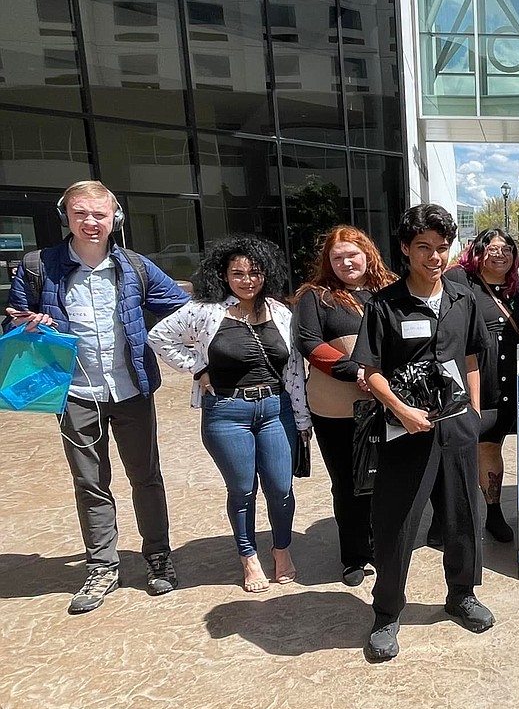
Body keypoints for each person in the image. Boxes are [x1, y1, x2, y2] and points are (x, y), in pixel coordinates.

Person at [4, 180, 190, 614]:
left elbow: (182, 310)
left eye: (99, 214)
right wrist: (25, 325)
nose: (90, 222)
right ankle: (102, 565)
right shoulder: (38, 266)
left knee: (146, 476)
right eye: (81, 213)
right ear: (65, 216)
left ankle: (158, 556)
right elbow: (12, 323)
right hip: (73, 392)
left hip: (132, 389)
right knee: (90, 482)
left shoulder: (135, 267)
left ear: (114, 219)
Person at [352, 203, 491, 662]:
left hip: (456, 430)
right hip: (405, 431)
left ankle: (461, 594)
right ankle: (387, 613)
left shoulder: (462, 297)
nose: (435, 257)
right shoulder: (384, 305)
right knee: (396, 524)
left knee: (464, 517)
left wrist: (471, 412)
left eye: (443, 247)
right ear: (406, 250)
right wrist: (401, 409)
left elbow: (471, 358)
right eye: (424, 248)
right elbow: (368, 371)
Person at [148, 236, 311, 593]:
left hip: (275, 408)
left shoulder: (281, 313)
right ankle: (248, 556)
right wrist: (196, 368)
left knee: (281, 488)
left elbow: (295, 370)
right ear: (223, 274)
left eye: (255, 272)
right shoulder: (206, 310)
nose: (247, 280)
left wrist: (302, 420)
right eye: (237, 273)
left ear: (266, 274)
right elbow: (159, 337)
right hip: (227, 412)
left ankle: (281, 550)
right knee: (242, 489)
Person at [293, 226, 396, 586]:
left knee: (389, 480)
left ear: (367, 253)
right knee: (349, 483)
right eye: (337, 257)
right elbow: (309, 343)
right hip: (337, 410)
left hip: (390, 405)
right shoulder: (315, 296)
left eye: (351, 254)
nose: (345, 262)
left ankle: (386, 546)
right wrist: (357, 372)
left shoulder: (391, 290)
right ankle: (354, 555)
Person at [445, 228, 519, 544]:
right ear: (478, 251)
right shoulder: (458, 281)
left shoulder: (518, 289)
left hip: (517, 380)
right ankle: (451, 516)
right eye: (493, 248)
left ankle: (500, 514)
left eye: (507, 249)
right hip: (478, 381)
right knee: (478, 448)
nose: (501, 254)